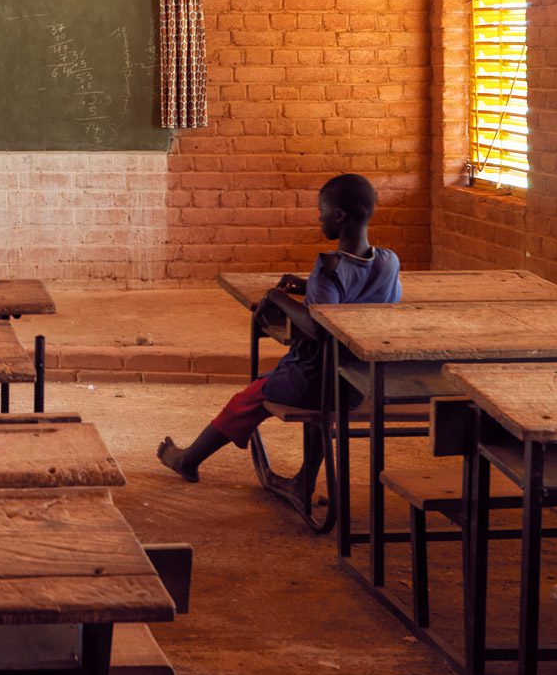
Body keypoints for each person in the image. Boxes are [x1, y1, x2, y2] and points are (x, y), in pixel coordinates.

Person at [158, 174, 400, 481]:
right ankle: (305, 480)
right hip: (357, 385)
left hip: (312, 381)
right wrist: (308, 285)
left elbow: (318, 327)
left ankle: (187, 460)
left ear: (338, 216)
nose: (318, 216)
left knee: (249, 397)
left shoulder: (329, 268)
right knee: (316, 406)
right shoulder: (389, 262)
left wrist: (277, 297)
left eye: (321, 209)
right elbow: (362, 295)